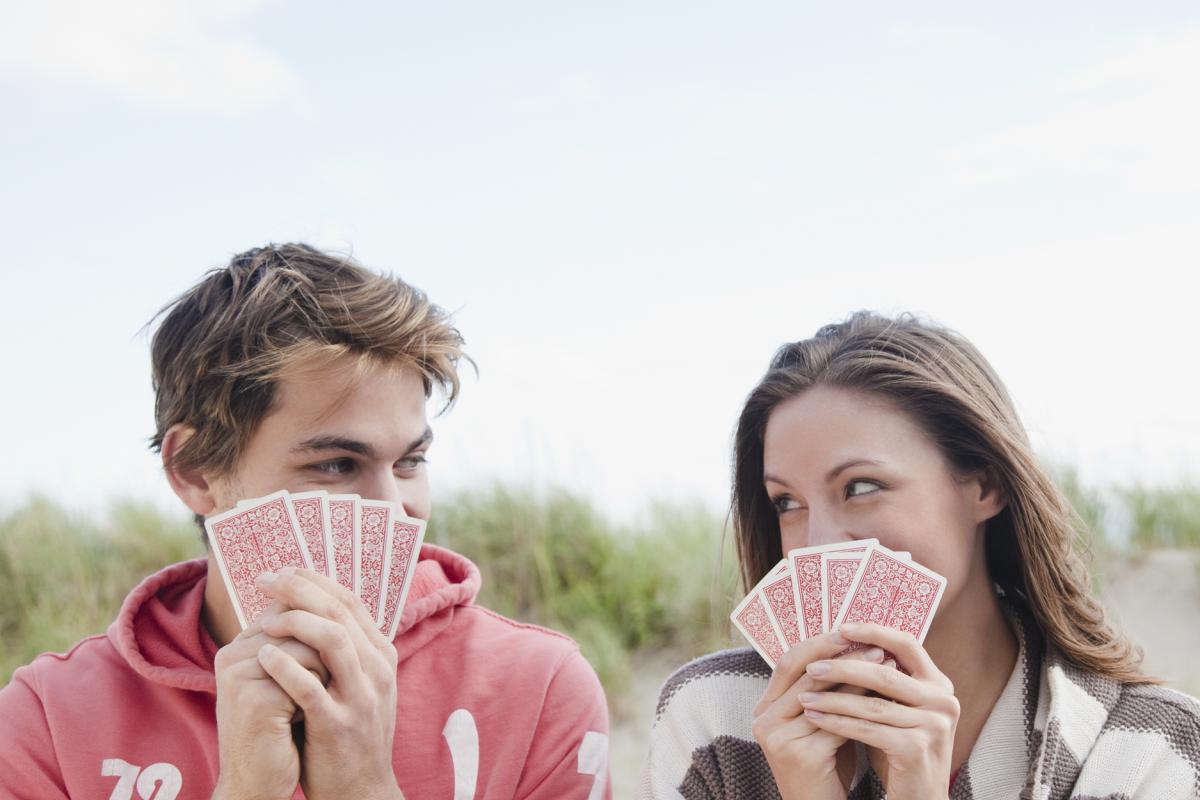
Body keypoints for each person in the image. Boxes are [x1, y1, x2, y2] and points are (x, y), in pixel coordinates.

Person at [0, 244, 611, 800]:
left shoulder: (537, 691)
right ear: (194, 471)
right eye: (338, 463)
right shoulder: (48, 720)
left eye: (411, 461)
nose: (393, 510)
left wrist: (363, 786)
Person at [639, 311, 1200, 799]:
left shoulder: (1152, 751)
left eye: (860, 487)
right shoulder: (712, 721)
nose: (816, 546)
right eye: (787, 502)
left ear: (984, 485)